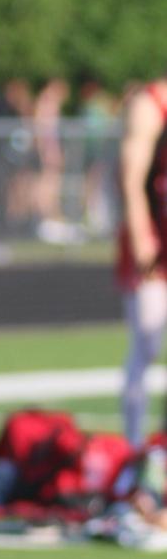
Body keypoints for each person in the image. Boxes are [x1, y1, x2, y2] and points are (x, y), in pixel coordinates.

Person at [116, 77, 167, 445]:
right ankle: (134, 447)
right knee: (148, 338)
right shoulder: (150, 105)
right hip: (154, 235)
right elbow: (131, 179)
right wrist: (141, 238)